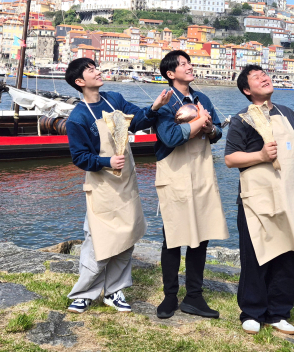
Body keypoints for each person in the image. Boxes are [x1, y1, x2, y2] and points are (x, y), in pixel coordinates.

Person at [64, 58, 173, 314]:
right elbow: (79, 157)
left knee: (126, 237)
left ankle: (114, 291)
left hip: (126, 182)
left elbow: (137, 121)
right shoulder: (78, 118)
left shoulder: (114, 99)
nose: (98, 72)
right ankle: (83, 294)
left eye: (96, 68)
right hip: (101, 185)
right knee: (97, 241)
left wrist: (155, 107)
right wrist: (107, 161)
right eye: (91, 70)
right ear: (79, 81)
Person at [224, 65, 294, 336]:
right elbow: (230, 158)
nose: (264, 78)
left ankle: (279, 313)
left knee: (284, 254)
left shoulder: (287, 113)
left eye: (264, 74)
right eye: (256, 77)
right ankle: (252, 312)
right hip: (255, 198)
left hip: (287, 195)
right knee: (255, 255)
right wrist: (261, 156)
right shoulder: (242, 119)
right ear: (246, 90)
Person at [153, 50, 229, 319]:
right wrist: (199, 123)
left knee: (202, 234)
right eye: (183, 64)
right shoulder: (165, 102)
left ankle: (194, 296)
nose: (189, 67)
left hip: (202, 171)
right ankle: (170, 296)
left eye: (189, 63)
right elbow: (170, 138)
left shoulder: (202, 99)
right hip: (174, 172)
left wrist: (210, 129)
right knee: (173, 237)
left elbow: (218, 132)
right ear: (170, 73)